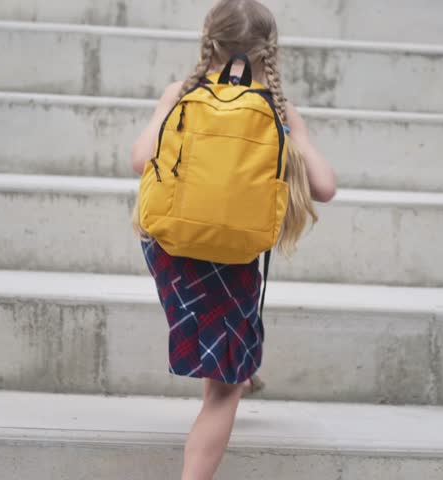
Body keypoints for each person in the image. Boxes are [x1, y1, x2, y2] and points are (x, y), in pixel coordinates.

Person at [129, 1, 336, 478]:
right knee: (226, 386)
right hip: (237, 253)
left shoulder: (181, 93)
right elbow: (324, 187)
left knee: (221, 356)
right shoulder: (276, 106)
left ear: (210, 41)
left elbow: (140, 160)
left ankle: (233, 361)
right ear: (270, 50)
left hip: (172, 249)